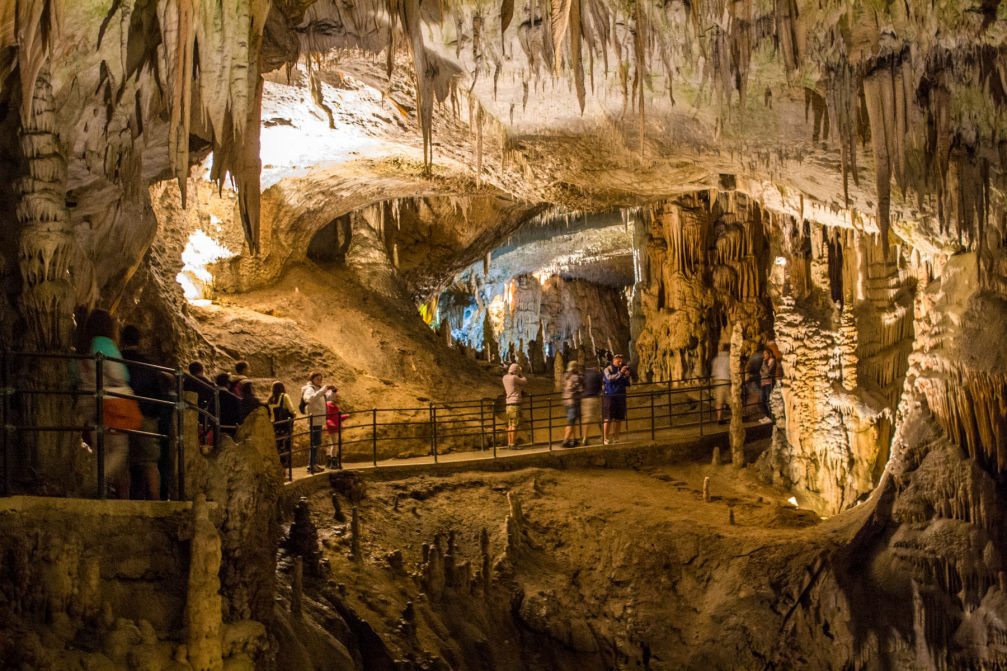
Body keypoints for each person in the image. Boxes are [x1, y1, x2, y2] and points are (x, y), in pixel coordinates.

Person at [77, 309, 134, 498]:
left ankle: (102, 488)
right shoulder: (104, 343)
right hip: (108, 402)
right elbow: (119, 374)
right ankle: (93, 482)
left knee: (99, 448)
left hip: (87, 400)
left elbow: (74, 374)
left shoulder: (83, 346)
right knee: (118, 448)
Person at [120, 325, 164, 500]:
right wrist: (155, 413)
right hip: (145, 414)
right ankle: (156, 499)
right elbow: (159, 389)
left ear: (123, 340)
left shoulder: (118, 360)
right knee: (149, 462)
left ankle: (122, 501)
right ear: (139, 340)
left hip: (121, 414)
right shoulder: (148, 362)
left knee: (123, 460)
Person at [301, 372, 333, 473]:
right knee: (314, 443)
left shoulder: (317, 389)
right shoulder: (309, 389)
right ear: (312, 379)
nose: (319, 381)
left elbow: (325, 399)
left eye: (320, 379)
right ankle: (311, 465)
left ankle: (313, 464)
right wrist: (323, 390)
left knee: (316, 442)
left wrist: (333, 391)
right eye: (317, 379)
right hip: (314, 419)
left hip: (318, 419)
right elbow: (309, 399)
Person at [602, 354, 631, 445]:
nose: (620, 362)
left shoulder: (621, 369)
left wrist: (626, 376)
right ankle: (606, 438)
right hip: (610, 397)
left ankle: (616, 437)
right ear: (614, 360)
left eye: (621, 360)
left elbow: (626, 383)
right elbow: (609, 379)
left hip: (621, 396)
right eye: (619, 360)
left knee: (618, 419)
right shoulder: (608, 369)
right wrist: (621, 373)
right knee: (608, 418)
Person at [266, 381, 296, 467]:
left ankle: (278, 465)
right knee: (286, 445)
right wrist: (294, 415)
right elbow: (291, 410)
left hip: (274, 426)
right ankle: (286, 465)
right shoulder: (284, 396)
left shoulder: (270, 399)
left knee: (277, 445)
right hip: (284, 426)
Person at [502, 363, 527, 448]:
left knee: (510, 424)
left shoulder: (504, 378)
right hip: (515, 403)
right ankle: (513, 444)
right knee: (514, 425)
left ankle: (510, 443)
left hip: (508, 403)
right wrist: (521, 374)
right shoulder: (514, 378)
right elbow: (524, 381)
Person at [324, 388, 350, 468]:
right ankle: (333, 460)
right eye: (335, 396)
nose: (337, 397)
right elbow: (327, 417)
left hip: (334, 426)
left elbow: (335, 416)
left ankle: (330, 461)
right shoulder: (329, 405)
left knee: (333, 443)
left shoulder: (332, 405)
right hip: (333, 427)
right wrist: (331, 424)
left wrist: (343, 417)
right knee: (335, 444)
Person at [561, 361, 584, 448]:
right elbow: (580, 387)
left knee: (572, 421)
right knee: (571, 421)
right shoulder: (575, 377)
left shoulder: (565, 376)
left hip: (566, 401)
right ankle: (566, 441)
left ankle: (574, 439)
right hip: (573, 401)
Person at [580, 365, 603, 445]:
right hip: (595, 397)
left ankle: (585, 438)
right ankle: (603, 436)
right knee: (600, 418)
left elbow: (581, 386)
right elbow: (602, 385)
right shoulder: (598, 374)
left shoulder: (584, 375)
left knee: (586, 419)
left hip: (585, 398)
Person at [214, 372, 242, 438]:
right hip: (230, 430)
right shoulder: (233, 398)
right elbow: (237, 416)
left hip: (214, 430)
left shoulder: (212, 396)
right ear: (228, 384)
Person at [712, 344, 732, 424]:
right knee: (731, 400)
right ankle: (735, 417)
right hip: (726, 381)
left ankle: (719, 418)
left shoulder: (716, 359)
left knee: (719, 401)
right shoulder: (729, 359)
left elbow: (714, 372)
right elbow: (731, 370)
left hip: (718, 381)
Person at [759, 346, 777, 424]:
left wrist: (764, 364)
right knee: (763, 399)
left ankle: (771, 417)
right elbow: (760, 372)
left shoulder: (772, 361)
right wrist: (764, 372)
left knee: (768, 399)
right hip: (763, 382)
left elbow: (768, 372)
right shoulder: (765, 362)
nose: (764, 355)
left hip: (769, 382)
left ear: (769, 354)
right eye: (764, 354)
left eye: (766, 353)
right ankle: (767, 416)